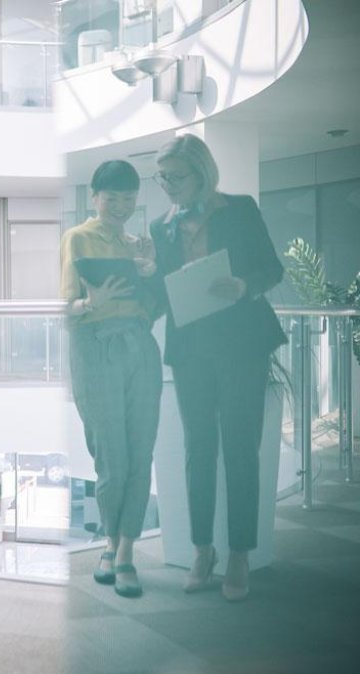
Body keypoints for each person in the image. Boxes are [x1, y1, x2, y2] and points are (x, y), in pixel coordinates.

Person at [149, 133, 286, 602]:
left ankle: (240, 554)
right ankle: (203, 550)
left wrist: (243, 285)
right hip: (191, 349)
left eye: (176, 176)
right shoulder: (160, 227)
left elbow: (272, 269)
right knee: (198, 450)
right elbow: (162, 291)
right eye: (161, 177)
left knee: (241, 450)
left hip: (242, 345)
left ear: (202, 172)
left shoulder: (240, 209)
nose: (167, 185)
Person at [61, 160, 162, 598]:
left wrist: (150, 277)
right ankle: (109, 544)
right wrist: (90, 300)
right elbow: (65, 309)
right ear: (94, 198)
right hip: (95, 349)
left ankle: (123, 554)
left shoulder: (141, 245)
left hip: (141, 346)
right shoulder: (78, 238)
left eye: (128, 198)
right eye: (112, 197)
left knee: (141, 455)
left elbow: (157, 308)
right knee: (111, 458)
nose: (120, 206)